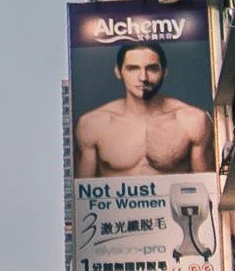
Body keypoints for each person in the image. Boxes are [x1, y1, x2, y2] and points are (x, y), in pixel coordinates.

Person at [72, 44, 213, 177]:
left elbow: (208, 187)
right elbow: (82, 194)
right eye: (133, 68)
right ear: (119, 72)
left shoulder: (192, 120)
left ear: (164, 71)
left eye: (151, 68)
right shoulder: (92, 124)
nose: (143, 78)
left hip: (177, 202)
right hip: (119, 202)